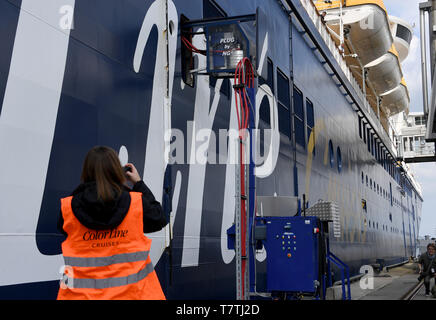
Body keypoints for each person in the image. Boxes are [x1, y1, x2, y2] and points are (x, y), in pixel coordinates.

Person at [57, 146, 167, 300]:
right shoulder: (135, 203)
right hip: (135, 295)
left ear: (86, 172)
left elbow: (65, 228)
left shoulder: (68, 208)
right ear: (117, 171)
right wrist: (138, 183)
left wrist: (82, 191)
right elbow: (159, 219)